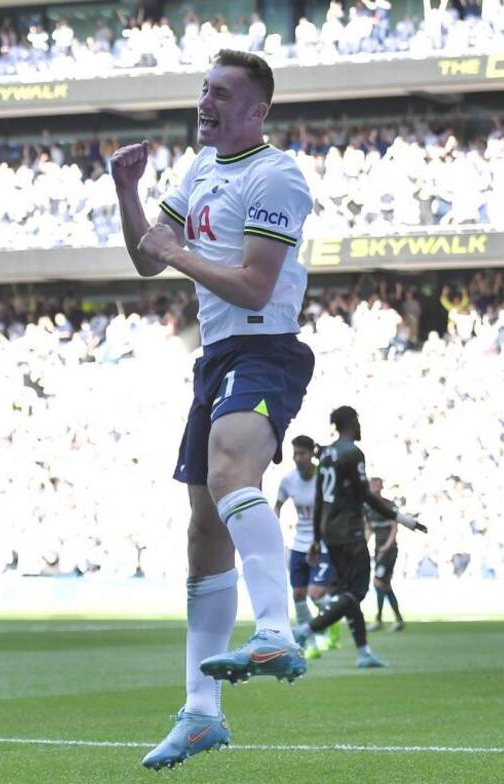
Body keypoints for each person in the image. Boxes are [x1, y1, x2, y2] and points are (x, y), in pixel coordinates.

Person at [111, 49, 315, 770]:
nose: (206, 102)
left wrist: (177, 254)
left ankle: (277, 630)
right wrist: (127, 191)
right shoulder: (200, 170)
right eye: (204, 90)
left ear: (257, 110)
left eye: (222, 93)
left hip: (264, 348)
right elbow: (146, 257)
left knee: (231, 473)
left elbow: (257, 287)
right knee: (203, 533)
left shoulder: (275, 174)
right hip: (218, 360)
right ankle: (201, 712)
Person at [293, 407, 426, 667]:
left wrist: (317, 539)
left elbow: (320, 498)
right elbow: (365, 495)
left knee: (345, 594)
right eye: (358, 421)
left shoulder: (327, 454)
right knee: (356, 592)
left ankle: (363, 652)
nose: (360, 426)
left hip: (331, 533)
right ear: (351, 422)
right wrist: (403, 519)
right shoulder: (352, 453)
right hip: (350, 532)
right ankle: (306, 630)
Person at [274, 435, 330, 659]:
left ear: (311, 453)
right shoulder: (288, 480)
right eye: (295, 453)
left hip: (322, 544)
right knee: (298, 595)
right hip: (298, 543)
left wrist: (320, 540)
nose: (297, 458)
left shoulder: (324, 478)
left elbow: (330, 511)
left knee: (316, 594)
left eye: (302, 453)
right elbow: (277, 506)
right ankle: (309, 641)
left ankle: (331, 619)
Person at [365, 476, 405, 632]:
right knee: (384, 584)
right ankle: (398, 620)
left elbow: (394, 528)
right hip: (378, 548)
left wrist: (385, 548)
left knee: (378, 582)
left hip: (389, 550)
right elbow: (368, 529)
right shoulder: (368, 508)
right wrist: (363, 546)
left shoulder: (389, 505)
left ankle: (379, 619)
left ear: (381, 487)